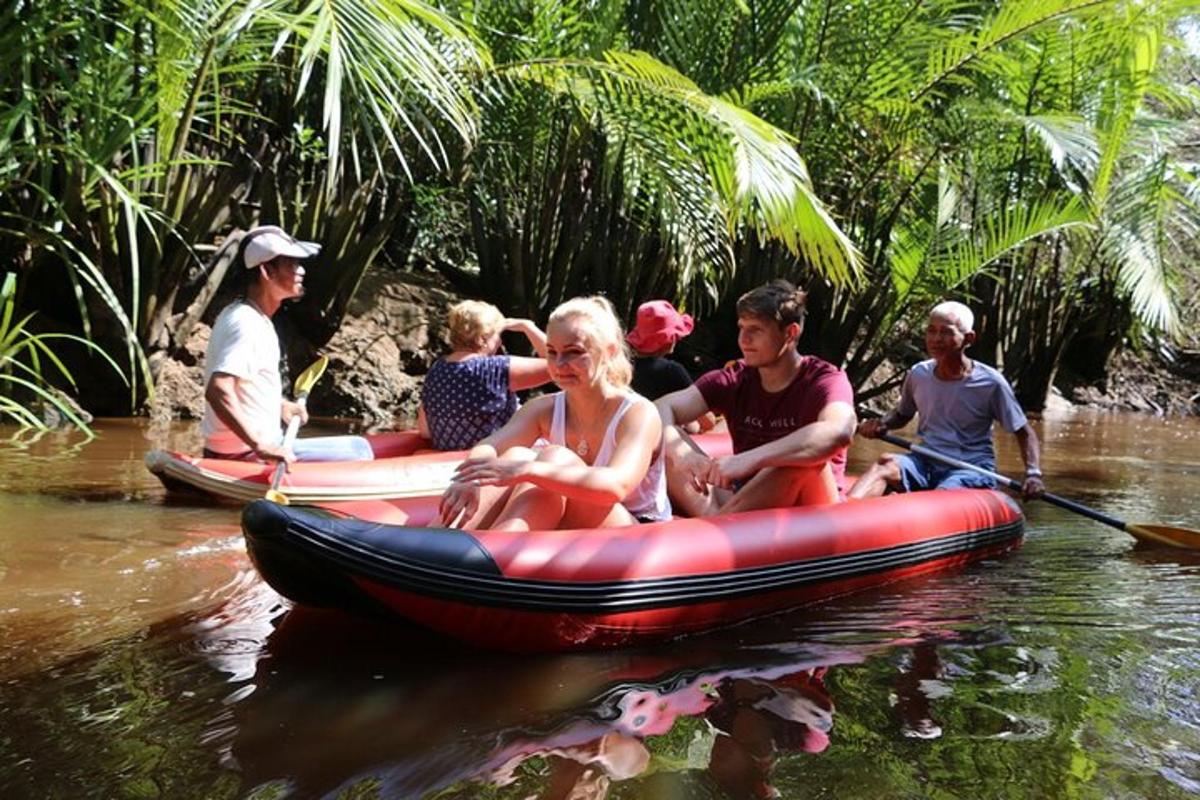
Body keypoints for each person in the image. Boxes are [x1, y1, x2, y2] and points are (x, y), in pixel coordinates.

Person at [439, 296, 669, 531]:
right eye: (551, 352)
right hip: (575, 525)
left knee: (553, 459)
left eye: (573, 352)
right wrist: (469, 478)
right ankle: (438, 544)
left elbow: (616, 486)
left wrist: (528, 471)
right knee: (518, 454)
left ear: (608, 352)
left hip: (634, 531)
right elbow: (490, 446)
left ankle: (491, 557)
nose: (559, 364)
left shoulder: (638, 413)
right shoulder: (543, 408)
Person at [655, 279, 856, 517]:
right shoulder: (735, 377)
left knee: (796, 462)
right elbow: (661, 407)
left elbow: (839, 432)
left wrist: (750, 460)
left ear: (790, 333)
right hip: (745, 498)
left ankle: (711, 530)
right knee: (665, 445)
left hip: (811, 510)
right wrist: (683, 456)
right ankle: (713, 529)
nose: (743, 339)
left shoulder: (825, 379)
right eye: (742, 328)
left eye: (756, 330)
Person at [201, 225, 373, 465]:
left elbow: (243, 387)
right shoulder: (246, 323)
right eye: (292, 264)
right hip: (244, 456)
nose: (301, 271)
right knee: (361, 452)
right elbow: (218, 389)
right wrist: (260, 446)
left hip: (252, 447)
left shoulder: (248, 316)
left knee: (360, 445)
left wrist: (280, 406)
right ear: (266, 271)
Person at [848, 300, 1045, 500]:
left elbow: (1024, 432)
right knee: (885, 463)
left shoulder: (991, 383)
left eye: (946, 332)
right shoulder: (919, 374)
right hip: (924, 461)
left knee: (945, 491)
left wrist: (1033, 474)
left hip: (970, 469)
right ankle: (843, 515)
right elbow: (901, 415)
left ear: (968, 338)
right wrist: (882, 424)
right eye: (931, 331)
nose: (936, 339)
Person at [419, 300, 551, 451]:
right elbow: (559, 365)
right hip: (493, 459)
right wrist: (528, 327)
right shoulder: (497, 368)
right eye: (497, 335)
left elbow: (425, 431)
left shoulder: (436, 370)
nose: (500, 341)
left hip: (445, 461)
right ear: (482, 338)